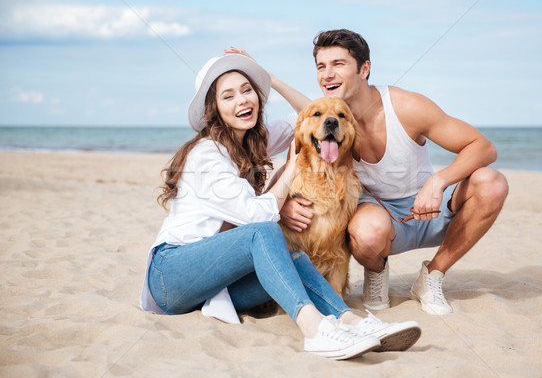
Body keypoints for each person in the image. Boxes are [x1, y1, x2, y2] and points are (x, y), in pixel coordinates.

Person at [139, 52, 422, 360]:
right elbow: (255, 217)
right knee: (263, 233)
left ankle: (350, 321)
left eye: (248, 90)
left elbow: (310, 113)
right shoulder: (206, 155)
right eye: (228, 96)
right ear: (215, 109)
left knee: (296, 260)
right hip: (172, 277)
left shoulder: (253, 141)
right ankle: (315, 331)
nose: (242, 100)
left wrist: (268, 76)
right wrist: (294, 166)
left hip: (219, 284)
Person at [276, 29, 509, 315]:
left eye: (338, 64)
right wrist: (282, 203)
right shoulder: (332, 121)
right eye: (321, 67)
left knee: (492, 183)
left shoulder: (406, 106)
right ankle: (376, 273)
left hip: (431, 207)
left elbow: (484, 147)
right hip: (380, 219)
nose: (327, 74)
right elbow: (297, 150)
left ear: (364, 69)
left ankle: (432, 276)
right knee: (366, 231)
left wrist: (439, 181)